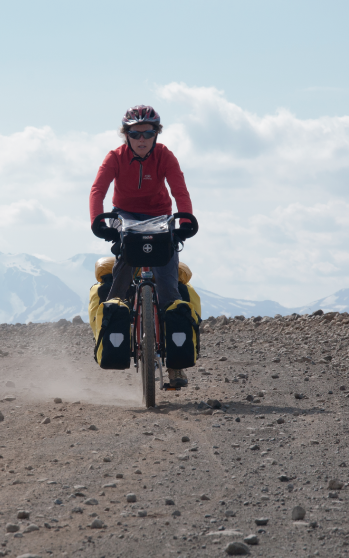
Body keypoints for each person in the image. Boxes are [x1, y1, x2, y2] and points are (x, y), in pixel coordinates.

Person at [89, 105, 194, 388]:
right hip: (125, 216)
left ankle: (176, 368)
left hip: (160, 216)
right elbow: (98, 189)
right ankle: (112, 344)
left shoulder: (164, 156)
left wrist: (184, 219)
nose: (142, 138)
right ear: (126, 135)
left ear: (156, 134)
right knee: (119, 284)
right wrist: (98, 221)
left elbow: (179, 189)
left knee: (169, 286)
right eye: (135, 133)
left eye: (148, 132)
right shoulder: (115, 157)